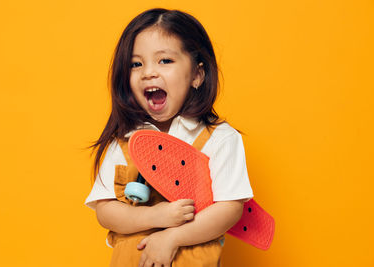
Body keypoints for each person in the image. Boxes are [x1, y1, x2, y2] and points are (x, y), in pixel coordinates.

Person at [85, 8, 254, 267]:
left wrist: (173, 238)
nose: (148, 72)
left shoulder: (220, 138)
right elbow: (105, 211)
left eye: (164, 61)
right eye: (136, 64)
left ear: (197, 75)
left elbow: (230, 208)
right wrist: (157, 216)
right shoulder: (122, 140)